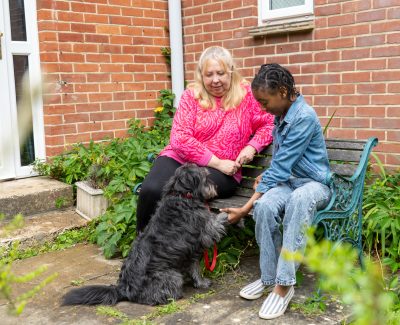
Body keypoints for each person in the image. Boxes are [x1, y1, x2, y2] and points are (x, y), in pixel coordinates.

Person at [221, 63, 332, 320]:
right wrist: (266, 179)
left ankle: (283, 286)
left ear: (282, 91)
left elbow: (281, 168)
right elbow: (281, 162)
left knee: (298, 201)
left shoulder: (303, 116)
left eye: (264, 102)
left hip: (314, 185)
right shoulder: (280, 115)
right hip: (290, 180)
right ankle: (268, 277)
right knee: (266, 205)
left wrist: (243, 208)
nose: (262, 108)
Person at [136, 46, 274, 233]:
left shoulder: (247, 97)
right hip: (182, 158)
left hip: (224, 173)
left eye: (221, 73)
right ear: (201, 75)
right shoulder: (191, 97)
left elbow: (269, 124)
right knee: (151, 190)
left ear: (231, 72)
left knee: (184, 196)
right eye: (209, 75)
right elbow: (179, 138)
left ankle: (174, 249)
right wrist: (217, 162)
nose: (215, 80)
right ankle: (143, 247)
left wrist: (251, 147)